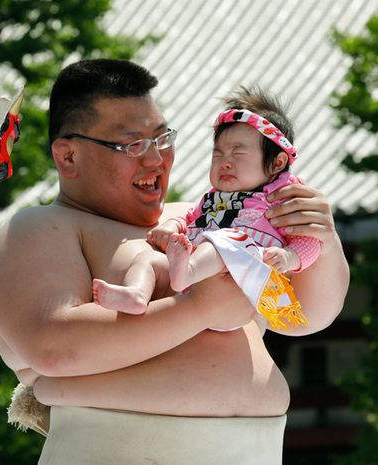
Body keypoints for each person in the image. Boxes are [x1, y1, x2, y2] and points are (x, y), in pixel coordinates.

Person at [0, 59, 349, 465]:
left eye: (162, 138)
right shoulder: (41, 228)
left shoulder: (213, 219)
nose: (156, 159)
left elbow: (308, 316)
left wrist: (320, 239)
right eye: (133, 144)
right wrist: (198, 307)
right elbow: (53, 347)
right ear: (68, 157)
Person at [93, 87, 321, 325]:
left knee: (226, 240)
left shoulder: (284, 198)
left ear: (277, 163)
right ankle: (137, 293)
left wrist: (288, 257)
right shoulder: (212, 199)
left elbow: (311, 242)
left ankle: (187, 272)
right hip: (193, 280)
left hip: (238, 292)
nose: (225, 163)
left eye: (238, 153)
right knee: (147, 259)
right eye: (218, 155)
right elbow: (190, 218)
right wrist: (172, 226)